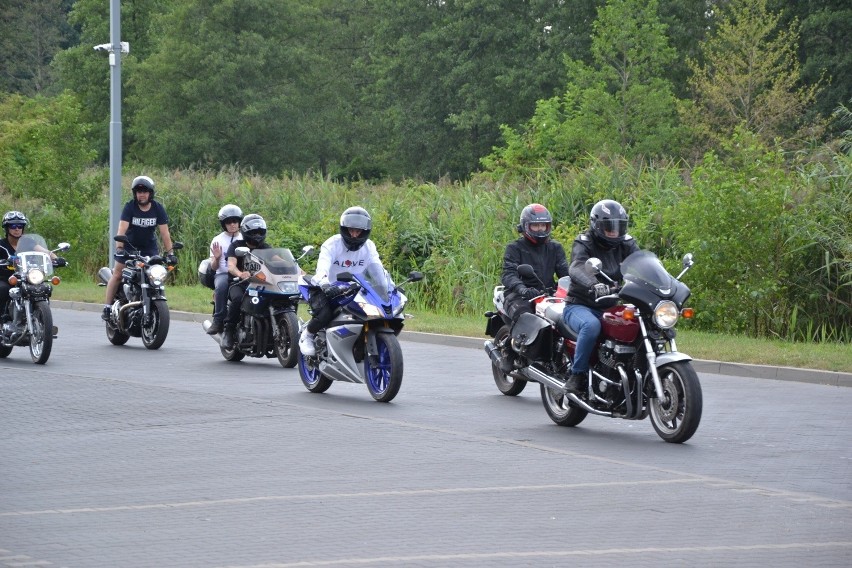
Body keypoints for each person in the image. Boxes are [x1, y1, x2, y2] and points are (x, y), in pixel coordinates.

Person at [561, 199, 639, 394]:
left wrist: (664, 284)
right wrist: (594, 284)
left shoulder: (627, 243)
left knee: (643, 325)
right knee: (591, 326)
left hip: (612, 306)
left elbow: (642, 263)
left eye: (618, 227)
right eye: (609, 227)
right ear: (596, 226)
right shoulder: (584, 242)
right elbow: (577, 266)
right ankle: (577, 375)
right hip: (581, 305)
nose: (614, 232)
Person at [298, 206, 384, 356]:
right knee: (324, 314)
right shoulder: (332, 244)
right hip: (328, 287)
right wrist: (325, 284)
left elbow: (378, 268)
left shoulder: (369, 247)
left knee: (375, 312)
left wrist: (385, 285)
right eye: (351, 230)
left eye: (358, 231)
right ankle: (308, 335)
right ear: (344, 229)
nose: (355, 235)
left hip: (356, 289)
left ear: (365, 232)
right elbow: (322, 268)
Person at [497, 203, 570, 370]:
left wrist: (575, 287)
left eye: (543, 225)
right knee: (526, 316)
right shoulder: (515, 248)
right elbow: (508, 274)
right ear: (525, 226)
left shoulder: (555, 248)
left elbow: (565, 273)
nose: (540, 229)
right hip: (518, 294)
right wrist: (522, 289)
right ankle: (508, 347)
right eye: (535, 225)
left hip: (547, 293)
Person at [220, 214, 271, 349]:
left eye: (260, 232)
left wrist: (298, 271)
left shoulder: (265, 248)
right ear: (246, 232)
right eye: (254, 232)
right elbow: (231, 265)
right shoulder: (236, 246)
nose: (257, 235)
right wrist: (240, 273)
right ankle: (228, 331)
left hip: (260, 285)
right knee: (237, 299)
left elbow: (279, 261)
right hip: (239, 284)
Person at [0, 211, 60, 320]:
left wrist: (56, 258)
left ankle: (43, 320)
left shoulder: (28, 242)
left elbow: (45, 251)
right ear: (7, 228)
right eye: (13, 226)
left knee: (43, 288)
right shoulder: (1, 245)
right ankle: (2, 321)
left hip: (27, 276)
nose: (17, 229)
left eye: (20, 226)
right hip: (8, 279)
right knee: (2, 289)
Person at [206, 204, 243, 335]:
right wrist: (216, 258)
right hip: (222, 273)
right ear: (224, 224)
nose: (232, 224)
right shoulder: (218, 240)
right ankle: (218, 320)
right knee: (221, 286)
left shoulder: (244, 238)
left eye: (235, 221)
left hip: (242, 273)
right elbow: (214, 267)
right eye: (229, 222)